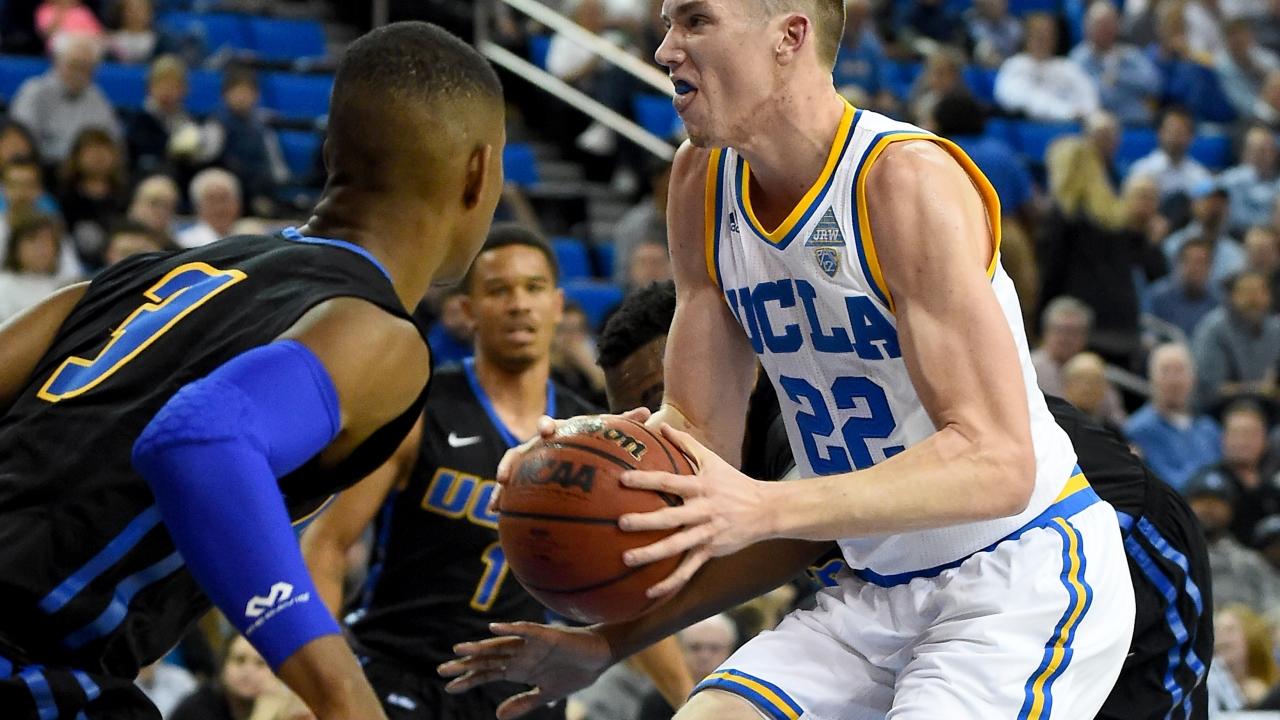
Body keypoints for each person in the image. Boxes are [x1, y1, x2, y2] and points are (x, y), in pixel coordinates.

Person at [452, 3, 1138, 717]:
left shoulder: (903, 180)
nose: (664, 49)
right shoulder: (701, 182)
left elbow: (996, 462)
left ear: (790, 35)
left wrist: (766, 505)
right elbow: (697, 441)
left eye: (695, 22)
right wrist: (581, 458)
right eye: (667, 23)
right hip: (872, 589)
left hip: (1017, 573)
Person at [0, 20, 506, 719]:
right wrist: (341, 694)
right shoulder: (375, 333)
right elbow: (197, 439)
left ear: (330, 152)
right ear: (479, 173)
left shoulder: (150, 273)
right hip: (30, 654)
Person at [452, 279, 1216, 720]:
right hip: (929, 585)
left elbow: (791, 540)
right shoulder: (732, 456)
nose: (662, 420)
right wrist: (604, 638)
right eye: (643, 407)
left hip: (1117, 545)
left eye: (666, 389)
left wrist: (610, 641)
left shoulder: (790, 414)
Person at [300, 225, 692, 719]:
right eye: (499, 290)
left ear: (557, 305)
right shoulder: (420, 408)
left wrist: (687, 699)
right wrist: (324, 684)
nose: (518, 304)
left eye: (533, 288)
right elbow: (326, 547)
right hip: (402, 673)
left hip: (523, 687)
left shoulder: (594, 437)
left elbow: (630, 590)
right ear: (466, 311)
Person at [9, 34, 121, 164]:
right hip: (42, 166)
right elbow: (21, 140)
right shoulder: (34, 92)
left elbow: (112, 141)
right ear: (57, 63)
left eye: (87, 68)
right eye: (74, 65)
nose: (79, 73)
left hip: (83, 170)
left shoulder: (98, 97)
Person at [1126, 343, 1222, 490]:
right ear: (1151, 379)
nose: (1174, 381)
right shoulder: (1138, 430)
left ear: (1193, 378)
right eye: (1165, 372)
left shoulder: (1210, 429)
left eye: (1180, 371)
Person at [1184, 471, 1280, 614]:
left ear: (1232, 509)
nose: (1208, 507)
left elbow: (1274, 609)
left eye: (1217, 502)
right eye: (1201, 500)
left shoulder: (1249, 561)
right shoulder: (1168, 554)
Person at [1187, 400, 1280, 544]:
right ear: (1223, 438)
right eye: (1236, 433)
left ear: (1265, 440)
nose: (1242, 441)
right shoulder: (1205, 486)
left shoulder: (1272, 488)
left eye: (1250, 434)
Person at [1190, 270, 1280, 412]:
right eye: (1246, 292)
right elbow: (1211, 390)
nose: (1254, 299)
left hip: (1267, 412)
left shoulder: (1275, 330)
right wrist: (1258, 389)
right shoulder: (1214, 329)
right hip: (1219, 412)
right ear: (1231, 297)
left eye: (1260, 291)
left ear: (1270, 296)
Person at [1069, 1, 1162, 126]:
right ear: (1087, 27)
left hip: (1135, 122)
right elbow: (1093, 95)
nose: (1105, 29)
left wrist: (1118, 77)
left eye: (1109, 24)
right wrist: (1117, 85)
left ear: (1117, 26)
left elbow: (1155, 85)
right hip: (1096, 126)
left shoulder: (1130, 55)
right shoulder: (1078, 59)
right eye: (1099, 25)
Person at [995, 12, 1101, 121]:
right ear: (1027, 37)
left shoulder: (1066, 66)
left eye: (1049, 35)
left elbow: (1088, 95)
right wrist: (1067, 112)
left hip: (1070, 124)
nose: (1044, 39)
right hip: (1032, 126)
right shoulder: (1014, 65)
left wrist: (1087, 113)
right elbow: (1016, 99)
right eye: (1039, 35)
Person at [57, 127, 128, 272]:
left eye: (104, 149)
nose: (98, 156)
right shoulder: (63, 196)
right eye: (91, 150)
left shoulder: (126, 195)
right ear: (76, 156)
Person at [169, 635, 277, 720]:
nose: (248, 671)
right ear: (223, 665)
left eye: (260, 663)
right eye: (240, 660)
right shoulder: (196, 710)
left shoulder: (280, 703)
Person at [1126, 107, 1212, 202]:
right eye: (1172, 130)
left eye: (1182, 132)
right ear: (1160, 132)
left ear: (1191, 137)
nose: (1176, 136)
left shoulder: (1200, 175)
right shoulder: (1142, 170)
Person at [1142, 238, 1221, 339]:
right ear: (1178, 263)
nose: (1197, 268)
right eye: (1192, 262)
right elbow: (1147, 332)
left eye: (1203, 263)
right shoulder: (1157, 296)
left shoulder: (1217, 300)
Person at [0, 213, 68, 322]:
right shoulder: (4, 286)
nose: (41, 249)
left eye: (47, 241)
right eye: (32, 240)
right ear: (15, 247)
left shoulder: (64, 287)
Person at [177, 169, 244, 249]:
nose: (219, 208)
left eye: (224, 199)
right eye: (212, 201)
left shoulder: (248, 239)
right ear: (198, 207)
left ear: (237, 204)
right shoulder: (183, 242)